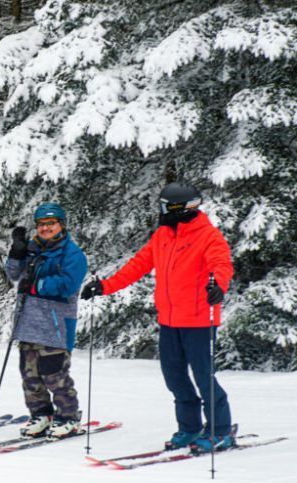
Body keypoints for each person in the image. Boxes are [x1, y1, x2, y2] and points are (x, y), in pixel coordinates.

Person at [81, 181, 234, 452]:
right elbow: (137, 266)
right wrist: (104, 286)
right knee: (174, 377)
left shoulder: (208, 236)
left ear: (179, 208)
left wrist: (217, 286)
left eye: (164, 206)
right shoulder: (163, 236)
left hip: (198, 320)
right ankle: (189, 428)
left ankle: (220, 431)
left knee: (203, 376)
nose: (161, 211)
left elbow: (220, 264)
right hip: (169, 320)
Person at [6, 203, 87, 439]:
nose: (45, 228)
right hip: (27, 322)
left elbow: (68, 285)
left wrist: (37, 284)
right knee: (30, 375)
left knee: (55, 374)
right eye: (41, 224)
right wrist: (16, 253)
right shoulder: (32, 250)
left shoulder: (72, 254)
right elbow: (14, 275)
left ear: (61, 225)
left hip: (55, 325)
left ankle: (68, 417)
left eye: (50, 224)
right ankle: (41, 414)